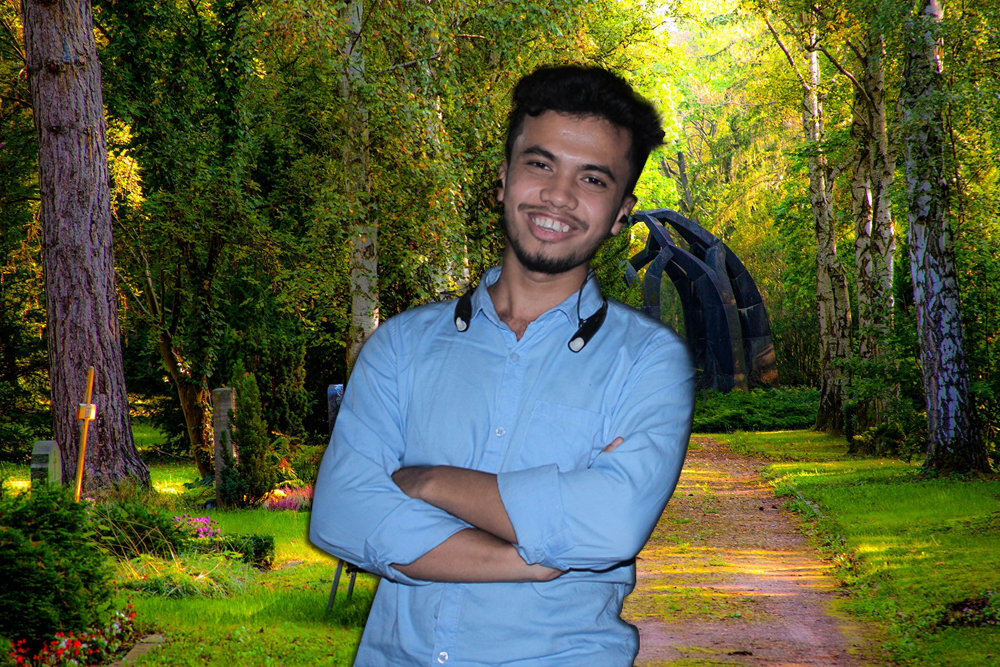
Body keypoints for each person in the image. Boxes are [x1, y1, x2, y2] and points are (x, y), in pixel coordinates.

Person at [310, 64, 696, 667]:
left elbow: (611, 524)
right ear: (502, 178)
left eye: (592, 178)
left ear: (622, 212)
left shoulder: (648, 361)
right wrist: (530, 558)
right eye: (540, 164)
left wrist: (428, 481)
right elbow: (342, 514)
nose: (559, 196)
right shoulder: (401, 346)